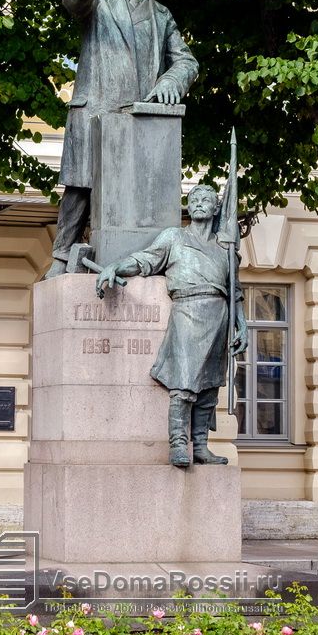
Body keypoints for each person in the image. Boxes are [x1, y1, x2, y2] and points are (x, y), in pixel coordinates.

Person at [44, 0, 200, 279]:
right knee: (81, 187)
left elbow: (186, 61)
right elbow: (75, 2)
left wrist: (170, 82)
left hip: (140, 117)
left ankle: (138, 259)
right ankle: (61, 255)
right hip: (97, 107)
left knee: (137, 194)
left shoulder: (161, 14)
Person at [95, 184, 247, 467]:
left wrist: (242, 324)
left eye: (207, 200)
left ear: (216, 209)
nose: (200, 204)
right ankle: (178, 442)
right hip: (188, 311)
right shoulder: (175, 238)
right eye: (195, 199)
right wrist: (115, 267)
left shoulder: (223, 248)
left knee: (211, 384)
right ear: (188, 207)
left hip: (219, 315)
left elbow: (234, 289)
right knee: (185, 380)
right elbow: (145, 261)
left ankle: (200, 445)